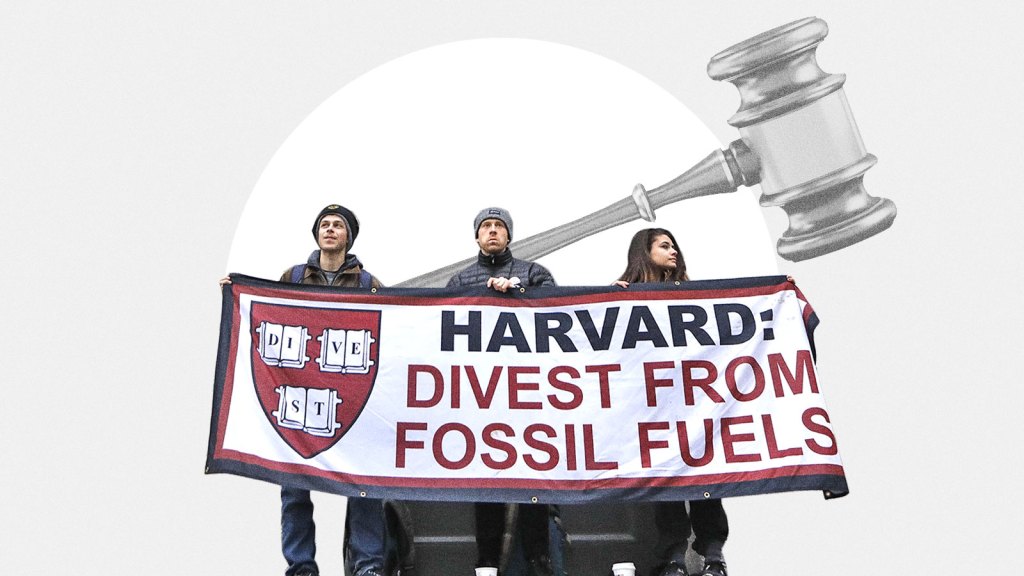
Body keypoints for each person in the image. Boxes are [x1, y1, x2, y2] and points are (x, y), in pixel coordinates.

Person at [220, 204, 387, 576]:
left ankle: (368, 565)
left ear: (348, 236)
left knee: (365, 484)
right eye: (324, 225)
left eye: (337, 225)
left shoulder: (368, 284)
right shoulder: (292, 276)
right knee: (294, 488)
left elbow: (386, 327)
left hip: (349, 398)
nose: (330, 230)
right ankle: (301, 566)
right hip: (297, 398)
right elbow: (265, 314)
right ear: (317, 234)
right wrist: (237, 293)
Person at [447, 207, 558, 576]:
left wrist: (518, 292)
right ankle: (487, 562)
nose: (492, 232)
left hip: (527, 391)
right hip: (482, 392)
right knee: (486, 476)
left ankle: (537, 559)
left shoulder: (534, 273)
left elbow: (555, 310)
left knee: (532, 474)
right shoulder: (460, 279)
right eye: (486, 227)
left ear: (508, 236)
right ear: (477, 236)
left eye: (499, 227)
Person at [613, 228, 729, 576]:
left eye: (675, 244)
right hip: (653, 404)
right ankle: (674, 557)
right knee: (666, 481)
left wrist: (774, 290)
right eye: (664, 245)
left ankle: (713, 555)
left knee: (706, 476)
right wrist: (611, 299)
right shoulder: (620, 295)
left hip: (694, 401)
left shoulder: (692, 295)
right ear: (643, 253)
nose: (674, 250)